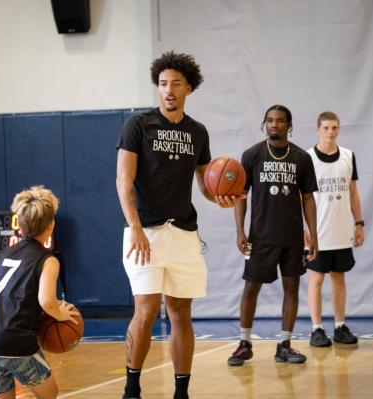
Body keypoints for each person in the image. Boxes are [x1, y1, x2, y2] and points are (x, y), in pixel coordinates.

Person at [116, 51, 243, 399]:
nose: (168, 90)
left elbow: (204, 183)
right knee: (145, 311)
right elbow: (123, 182)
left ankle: (181, 392)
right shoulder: (138, 126)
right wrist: (136, 228)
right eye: (162, 84)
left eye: (175, 84)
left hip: (185, 234)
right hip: (145, 234)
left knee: (181, 313)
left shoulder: (197, 132)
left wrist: (221, 196)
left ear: (189, 87)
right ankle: (132, 387)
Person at [227, 104, 318, 366]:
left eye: (279, 121)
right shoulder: (252, 155)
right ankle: (244, 343)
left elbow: (308, 198)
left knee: (292, 288)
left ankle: (285, 344)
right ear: (264, 124)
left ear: (289, 125)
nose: (274, 125)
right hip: (260, 237)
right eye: (270, 120)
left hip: (292, 238)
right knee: (250, 288)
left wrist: (314, 235)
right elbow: (240, 196)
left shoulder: (301, 158)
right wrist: (240, 231)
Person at [0, 186, 80, 399]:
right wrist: (62, 314)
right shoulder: (48, 260)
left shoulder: (4, 253)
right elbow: (47, 301)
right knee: (50, 394)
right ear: (51, 226)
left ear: (19, 226)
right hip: (16, 342)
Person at [305, 111, 365, 347]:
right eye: (326, 128)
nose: (331, 132)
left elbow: (353, 193)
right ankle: (316, 328)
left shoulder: (348, 156)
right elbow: (303, 197)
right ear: (318, 130)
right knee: (317, 278)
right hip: (318, 232)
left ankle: (340, 326)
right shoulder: (307, 158)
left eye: (335, 128)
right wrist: (304, 229)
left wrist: (359, 223)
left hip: (342, 230)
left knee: (339, 277)